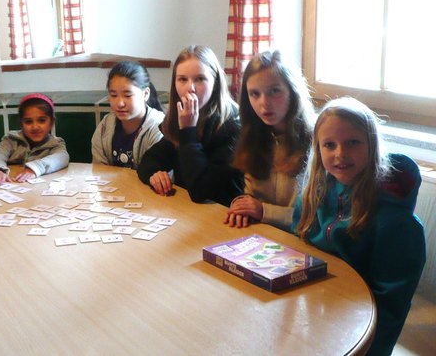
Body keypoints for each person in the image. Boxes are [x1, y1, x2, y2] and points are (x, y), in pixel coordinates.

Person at [291, 97, 425, 356]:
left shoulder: (397, 223)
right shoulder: (314, 192)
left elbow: (390, 304)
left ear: (372, 145)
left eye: (352, 142)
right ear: (318, 149)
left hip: (359, 328)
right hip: (314, 313)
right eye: (329, 145)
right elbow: (298, 245)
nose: (340, 154)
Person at [137, 45, 243, 206]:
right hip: (189, 213)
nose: (190, 88)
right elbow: (149, 160)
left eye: (200, 79)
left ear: (215, 83)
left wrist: (188, 130)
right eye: (182, 79)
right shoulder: (180, 116)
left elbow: (200, 191)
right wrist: (154, 174)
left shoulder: (233, 126)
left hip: (223, 215)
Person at [225, 50, 315, 230]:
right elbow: (250, 197)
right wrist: (241, 205)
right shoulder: (253, 135)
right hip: (264, 237)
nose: (264, 103)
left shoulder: (317, 140)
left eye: (274, 91)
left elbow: (317, 219)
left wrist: (263, 211)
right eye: (255, 94)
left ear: (293, 90)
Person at [91, 61, 165, 169]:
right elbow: (99, 171)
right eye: (114, 95)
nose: (120, 103)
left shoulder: (159, 128)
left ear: (145, 94)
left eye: (127, 95)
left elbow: (161, 177)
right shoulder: (105, 126)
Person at [0, 93, 69, 185]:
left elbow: (62, 158)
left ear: (52, 123)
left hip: (40, 190)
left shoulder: (56, 143)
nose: (35, 127)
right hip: (11, 186)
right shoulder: (11, 140)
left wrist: (34, 169)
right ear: (21, 124)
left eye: (42, 120)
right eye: (28, 122)